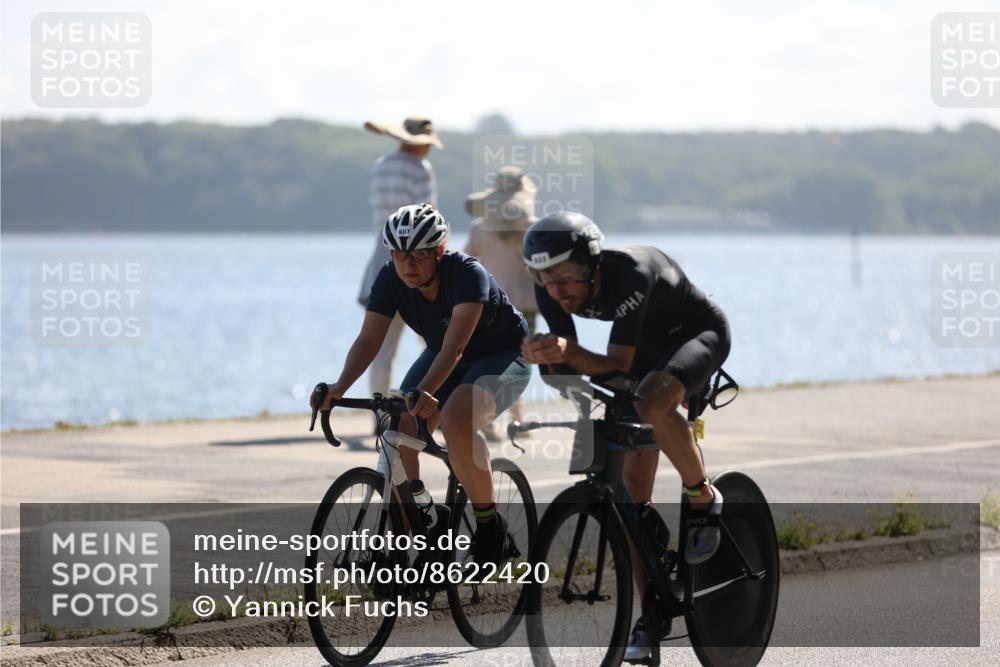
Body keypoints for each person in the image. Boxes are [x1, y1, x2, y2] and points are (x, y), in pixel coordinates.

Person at [519, 211, 731, 661]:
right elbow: (568, 368)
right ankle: (651, 613)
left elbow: (613, 363)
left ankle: (702, 494)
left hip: (695, 333)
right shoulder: (552, 287)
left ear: (592, 264)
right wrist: (544, 357)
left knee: (652, 403)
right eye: (546, 280)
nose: (558, 291)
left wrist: (569, 353)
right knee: (632, 496)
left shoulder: (630, 273)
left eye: (567, 277)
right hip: (642, 348)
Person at [323, 203, 532, 564]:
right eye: (399, 255)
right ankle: (420, 532)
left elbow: (456, 348)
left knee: (456, 420)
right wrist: (338, 387)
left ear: (439, 250)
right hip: (443, 354)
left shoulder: (468, 274)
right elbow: (369, 340)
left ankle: (490, 528)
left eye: (419, 255)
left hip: (502, 355)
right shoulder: (390, 278)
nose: (408, 265)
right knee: (398, 427)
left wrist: (427, 391)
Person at [357, 116, 442, 410]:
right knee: (434, 344)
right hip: (418, 257)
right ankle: (429, 409)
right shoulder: (420, 168)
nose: (429, 149)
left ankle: (379, 415)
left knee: (380, 348)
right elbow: (429, 217)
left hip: (384, 253)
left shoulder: (381, 165)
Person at [463, 166, 538, 438]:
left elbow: (467, 262)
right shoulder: (530, 227)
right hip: (526, 303)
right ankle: (517, 420)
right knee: (520, 363)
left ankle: (487, 419)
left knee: (489, 360)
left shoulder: (479, 227)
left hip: (491, 304)